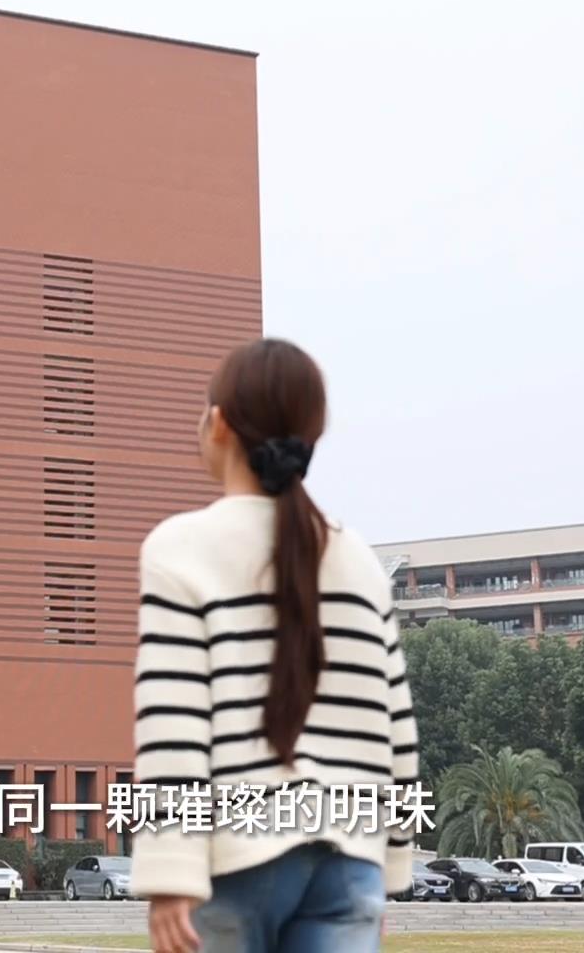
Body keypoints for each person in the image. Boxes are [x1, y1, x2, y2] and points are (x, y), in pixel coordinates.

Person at [131, 338, 418, 953]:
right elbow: (396, 729)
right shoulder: (358, 560)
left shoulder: (179, 549)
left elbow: (174, 721)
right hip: (349, 857)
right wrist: (389, 869)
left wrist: (170, 873)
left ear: (218, 424)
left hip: (237, 856)